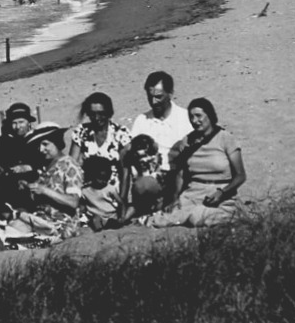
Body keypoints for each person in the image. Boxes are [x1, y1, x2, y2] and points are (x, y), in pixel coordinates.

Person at [149, 97, 247, 228]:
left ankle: (229, 215)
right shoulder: (187, 141)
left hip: (219, 194)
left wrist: (222, 193)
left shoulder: (225, 138)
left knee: (196, 218)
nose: (195, 121)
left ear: (210, 115)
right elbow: (181, 174)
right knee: (161, 220)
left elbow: (240, 175)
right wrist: (175, 198)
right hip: (193, 193)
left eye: (199, 116)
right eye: (191, 117)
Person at [12, 124, 83, 239]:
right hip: (40, 221)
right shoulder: (45, 168)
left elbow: (73, 202)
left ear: (57, 142)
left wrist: (44, 190)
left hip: (60, 226)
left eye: (45, 144)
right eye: (39, 146)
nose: (41, 149)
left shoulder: (69, 165)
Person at [128, 72, 193, 171]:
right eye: (150, 97)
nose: (154, 102)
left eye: (158, 97)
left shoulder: (186, 118)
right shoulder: (141, 121)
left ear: (170, 93)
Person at [68, 92, 132, 192]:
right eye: (92, 114)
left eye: (101, 114)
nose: (97, 118)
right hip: (87, 193)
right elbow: (72, 165)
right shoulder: (81, 132)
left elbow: (125, 172)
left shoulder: (120, 133)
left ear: (109, 113)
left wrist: (122, 200)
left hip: (112, 194)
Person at [0, 102, 39, 218]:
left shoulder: (37, 139)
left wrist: (27, 167)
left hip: (32, 176)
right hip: (9, 179)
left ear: (29, 122)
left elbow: (45, 161)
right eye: (14, 123)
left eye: (21, 122)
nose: (18, 127)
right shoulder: (4, 141)